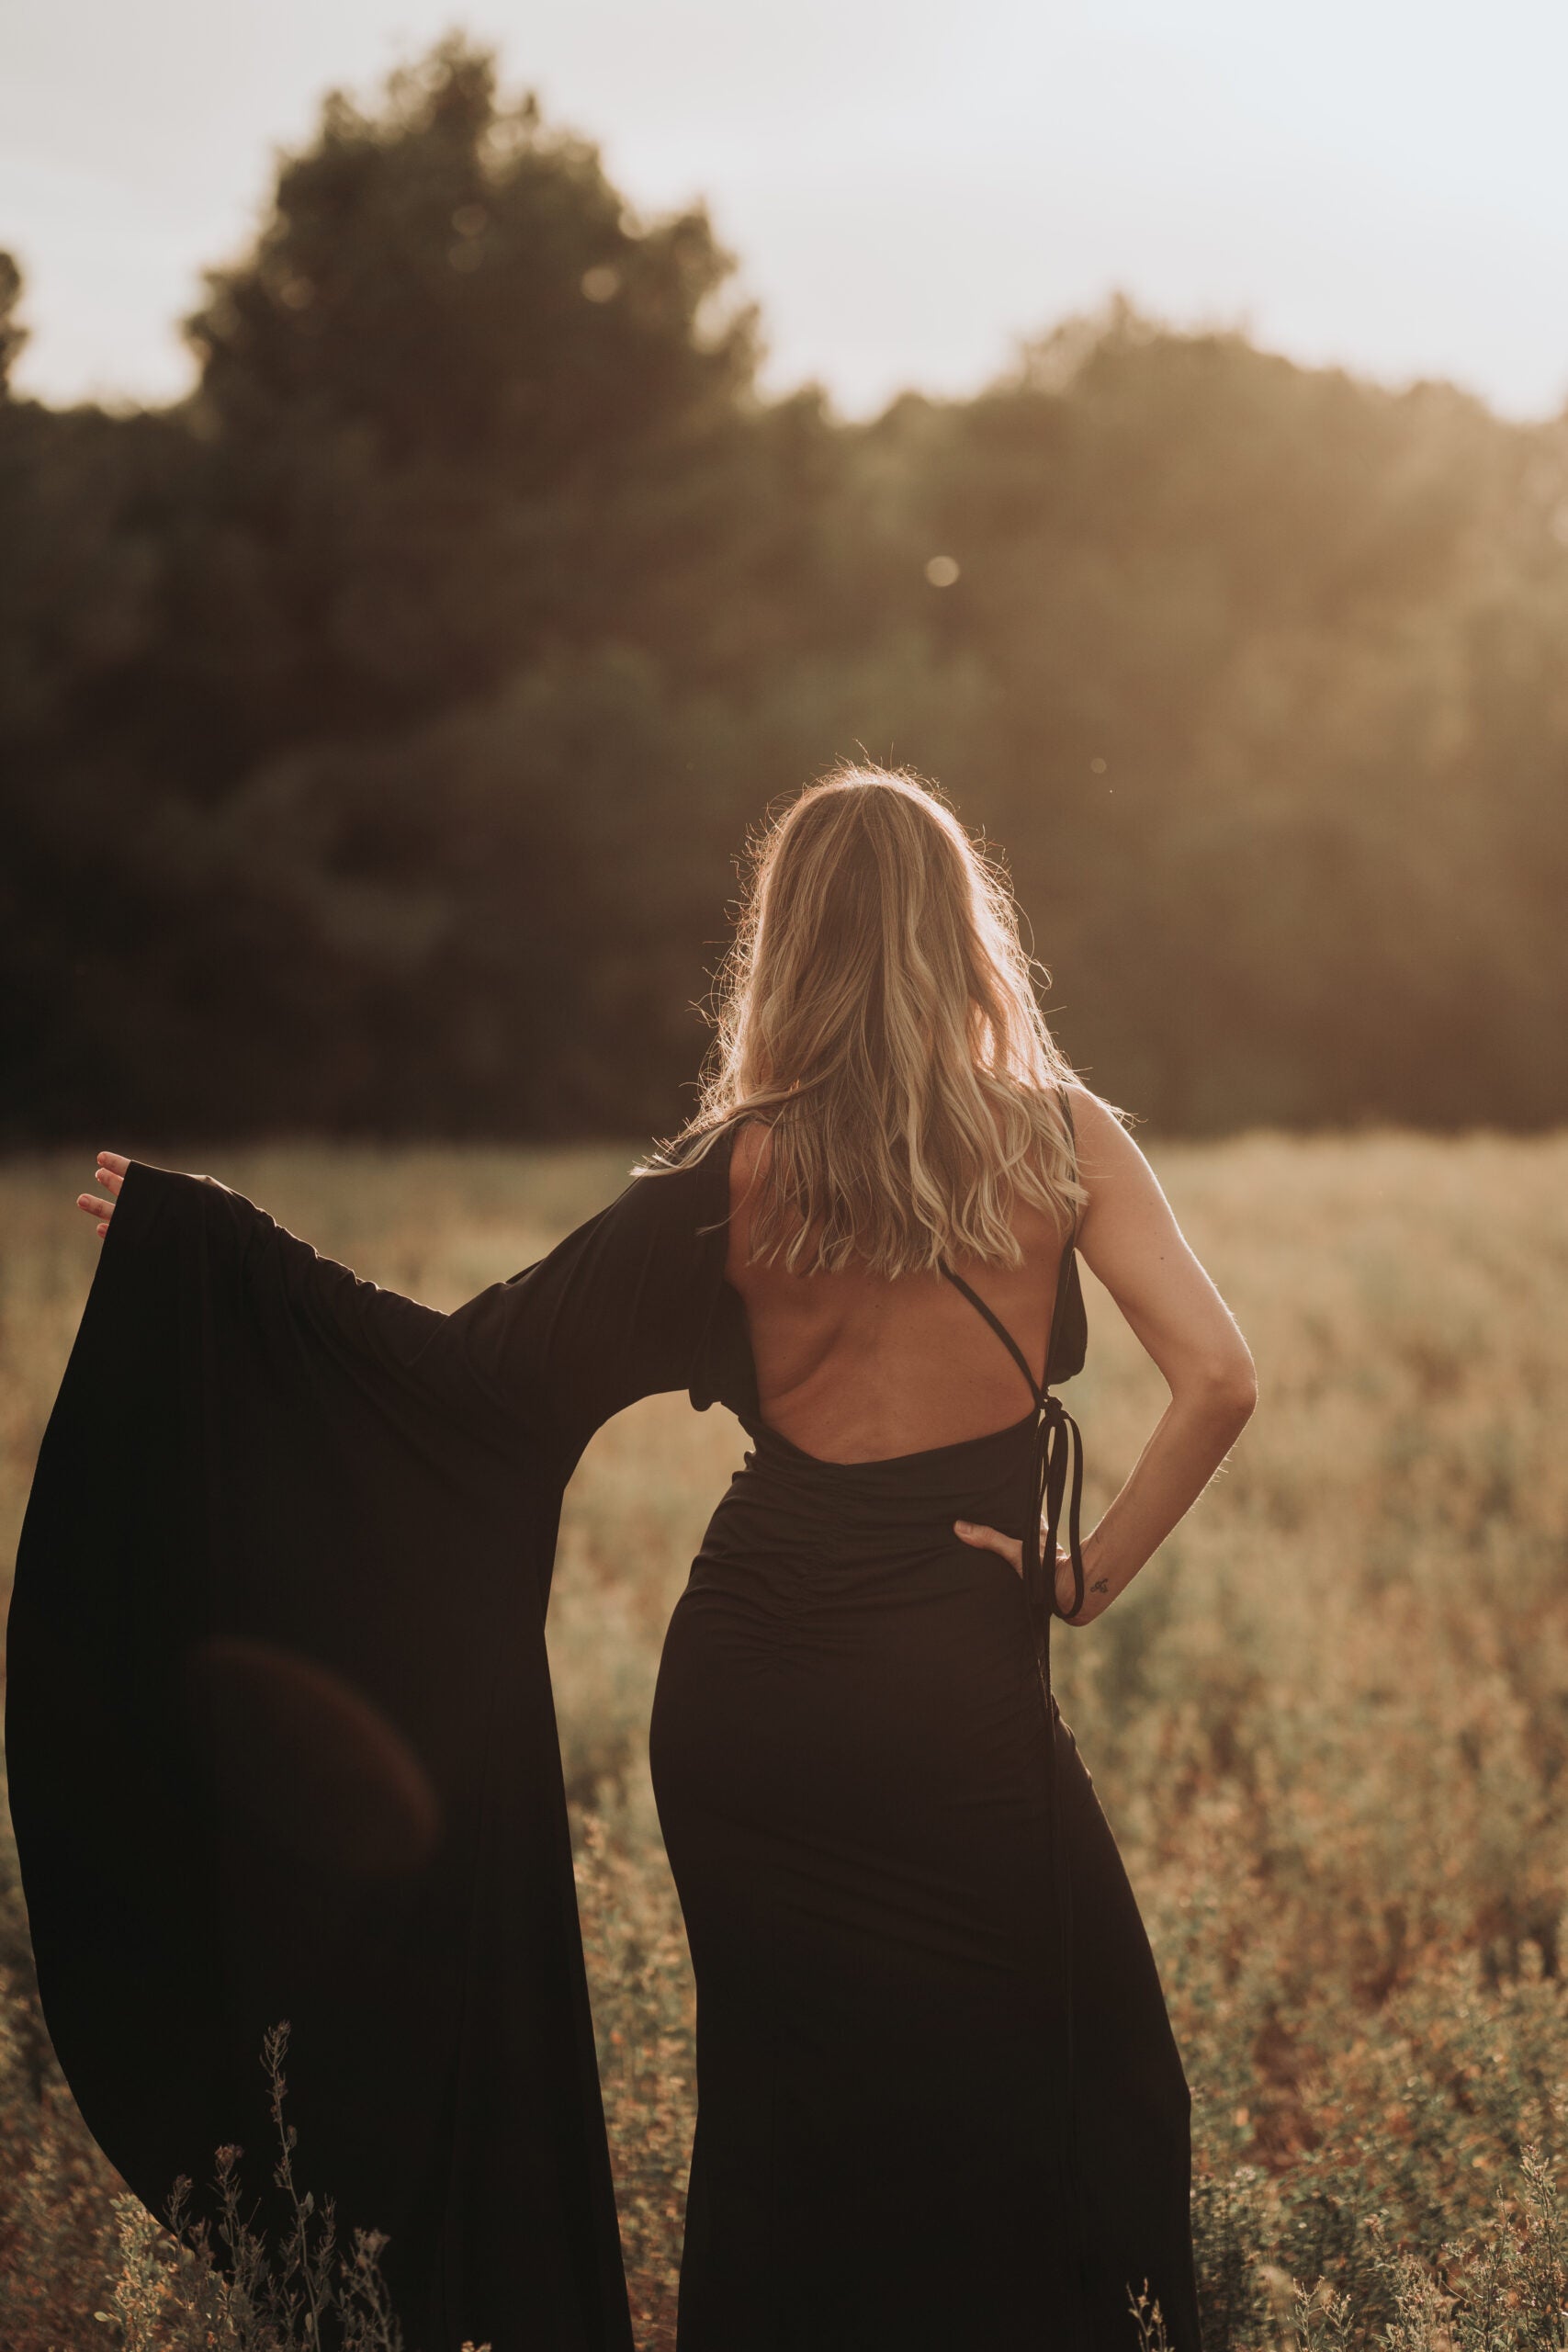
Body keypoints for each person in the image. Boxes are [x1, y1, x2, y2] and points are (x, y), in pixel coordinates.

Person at [8, 765, 1255, 2352]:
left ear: (789, 947)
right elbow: (1221, 1379)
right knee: (1085, 2083)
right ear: (963, 934)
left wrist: (214, 1248)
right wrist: (1082, 1574)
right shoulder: (1065, 1142)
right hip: (955, 1704)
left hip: (749, 1711)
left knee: (790, 2135)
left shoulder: (735, 1179)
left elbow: (464, 1385)